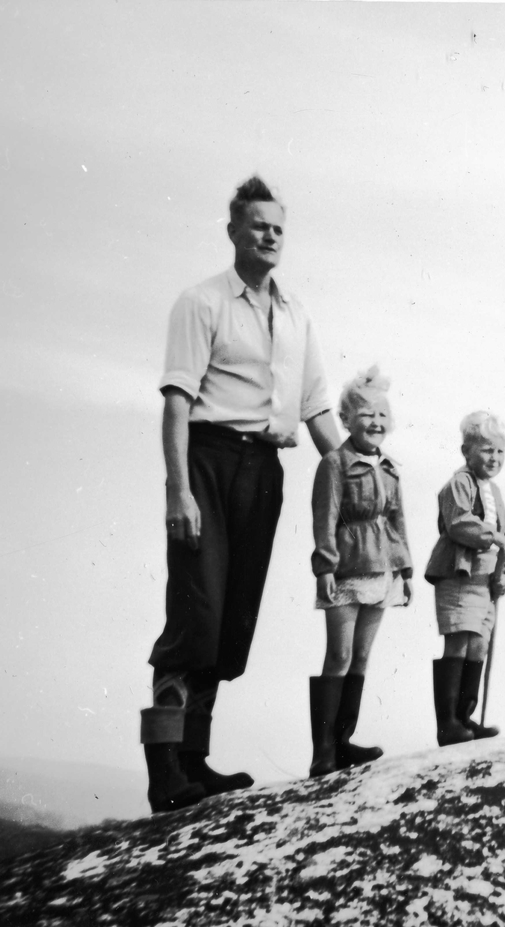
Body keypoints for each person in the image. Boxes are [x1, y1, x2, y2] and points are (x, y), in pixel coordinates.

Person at [140, 176, 341, 814]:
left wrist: (369, 473)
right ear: (233, 231)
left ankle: (195, 763)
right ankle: (164, 773)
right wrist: (179, 491)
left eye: (279, 226)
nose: (271, 234)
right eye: (258, 224)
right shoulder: (201, 302)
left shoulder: (298, 313)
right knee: (194, 615)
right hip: (207, 462)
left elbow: (318, 415)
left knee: (231, 624)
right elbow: (176, 403)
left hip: (265, 472)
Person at [308, 367, 413, 777]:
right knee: (339, 654)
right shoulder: (334, 463)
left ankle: (343, 742)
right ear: (346, 419)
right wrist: (325, 567)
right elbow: (325, 516)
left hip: (382, 572)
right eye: (367, 414)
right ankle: (322, 753)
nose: (376, 422)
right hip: (346, 573)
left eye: (383, 415)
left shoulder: (390, 468)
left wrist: (405, 569)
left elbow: (397, 520)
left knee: (362, 656)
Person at [424, 412, 505, 746]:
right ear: (467, 451)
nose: (495, 458)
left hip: (485, 583)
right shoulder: (458, 484)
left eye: (500, 452)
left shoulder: (496, 492)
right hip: (460, 575)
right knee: (459, 640)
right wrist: (494, 538)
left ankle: (465, 717)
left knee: (479, 645)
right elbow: (459, 523)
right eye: (487, 450)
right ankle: (447, 723)